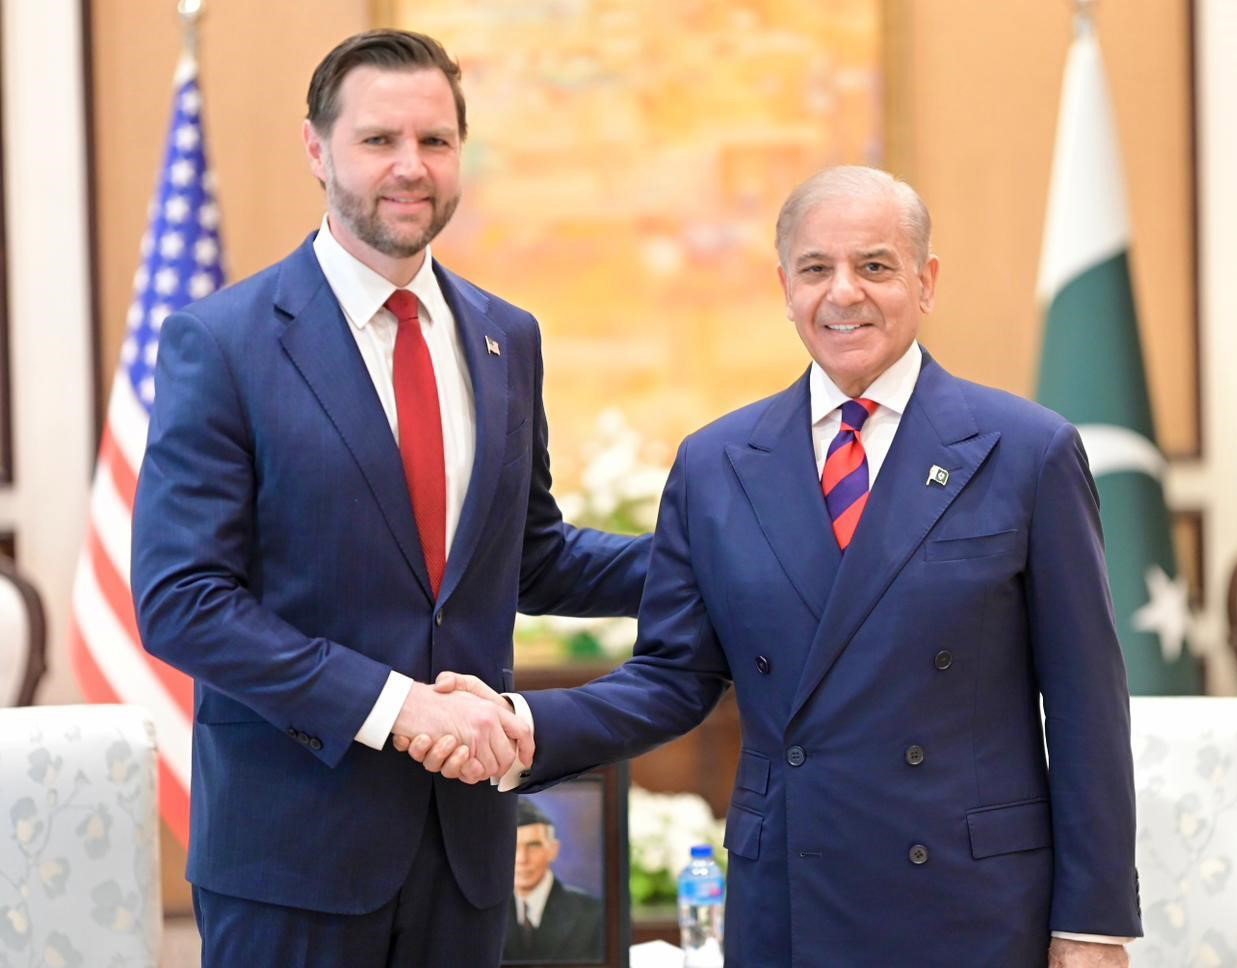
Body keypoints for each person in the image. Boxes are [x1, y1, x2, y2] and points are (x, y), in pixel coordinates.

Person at [411, 166, 1143, 966]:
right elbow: (672, 678)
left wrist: (1094, 924)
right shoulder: (718, 462)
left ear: (926, 282)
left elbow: (1086, 710)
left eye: (875, 266)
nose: (844, 294)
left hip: (971, 899)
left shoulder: (1026, 452)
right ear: (785, 286)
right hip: (792, 896)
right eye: (816, 269)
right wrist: (523, 723)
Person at [130, 29, 650, 968]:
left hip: (466, 855)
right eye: (379, 140)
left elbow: (528, 554)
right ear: (317, 148)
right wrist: (398, 707)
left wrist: (725, 557)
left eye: (436, 141)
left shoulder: (506, 338)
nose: (411, 168)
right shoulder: (224, 342)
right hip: (292, 857)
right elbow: (182, 601)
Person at [503, 798, 603, 963]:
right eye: (512, 846)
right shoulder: (483, 913)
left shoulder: (593, 914)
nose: (522, 859)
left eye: (533, 845)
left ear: (553, 850)